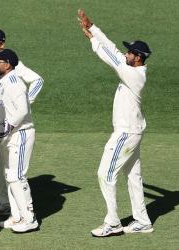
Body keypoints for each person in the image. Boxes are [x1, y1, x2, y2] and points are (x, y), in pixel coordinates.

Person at [78, 9, 154, 237]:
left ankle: (112, 223)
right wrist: (93, 28)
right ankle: (142, 221)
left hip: (126, 133)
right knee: (133, 176)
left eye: (130, 52)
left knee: (105, 174)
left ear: (138, 57)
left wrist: (93, 42)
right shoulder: (131, 66)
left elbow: (109, 57)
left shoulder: (135, 74)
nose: (126, 53)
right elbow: (112, 48)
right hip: (134, 131)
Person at [0, 27, 44, 217]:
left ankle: (23, 213)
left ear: (2, 44)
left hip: (12, 126)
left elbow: (38, 80)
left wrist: (25, 103)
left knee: (13, 172)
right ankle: (7, 204)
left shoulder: (12, 63)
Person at [0, 49, 39, 233]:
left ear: (8, 64)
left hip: (20, 134)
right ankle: (17, 216)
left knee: (17, 177)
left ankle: (30, 219)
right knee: (9, 176)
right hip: (9, 136)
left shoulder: (14, 82)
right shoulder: (2, 81)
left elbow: (23, 110)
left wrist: (8, 127)